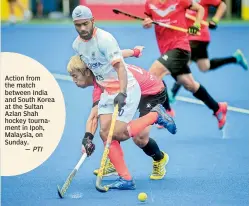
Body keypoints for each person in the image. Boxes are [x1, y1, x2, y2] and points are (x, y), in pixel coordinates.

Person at [71, 5, 176, 190]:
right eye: (77, 25)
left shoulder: (104, 42)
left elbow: (118, 63)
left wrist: (123, 92)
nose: (82, 29)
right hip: (117, 88)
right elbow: (95, 116)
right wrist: (87, 137)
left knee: (138, 139)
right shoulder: (94, 69)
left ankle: (158, 139)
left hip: (148, 89)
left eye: (76, 77)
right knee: (107, 131)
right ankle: (122, 172)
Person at [142, 0, 227, 130]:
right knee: (189, 84)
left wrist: (197, 24)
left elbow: (200, 9)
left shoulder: (179, 1)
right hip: (166, 49)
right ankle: (217, 108)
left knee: (153, 75)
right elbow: (147, 18)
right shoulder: (150, 3)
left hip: (180, 48)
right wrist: (147, 22)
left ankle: (167, 111)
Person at [168, 0, 248, 103]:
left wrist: (215, 20)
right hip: (188, 36)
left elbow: (222, 5)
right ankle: (235, 58)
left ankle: (172, 93)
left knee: (183, 63)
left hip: (199, 36)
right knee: (204, 66)